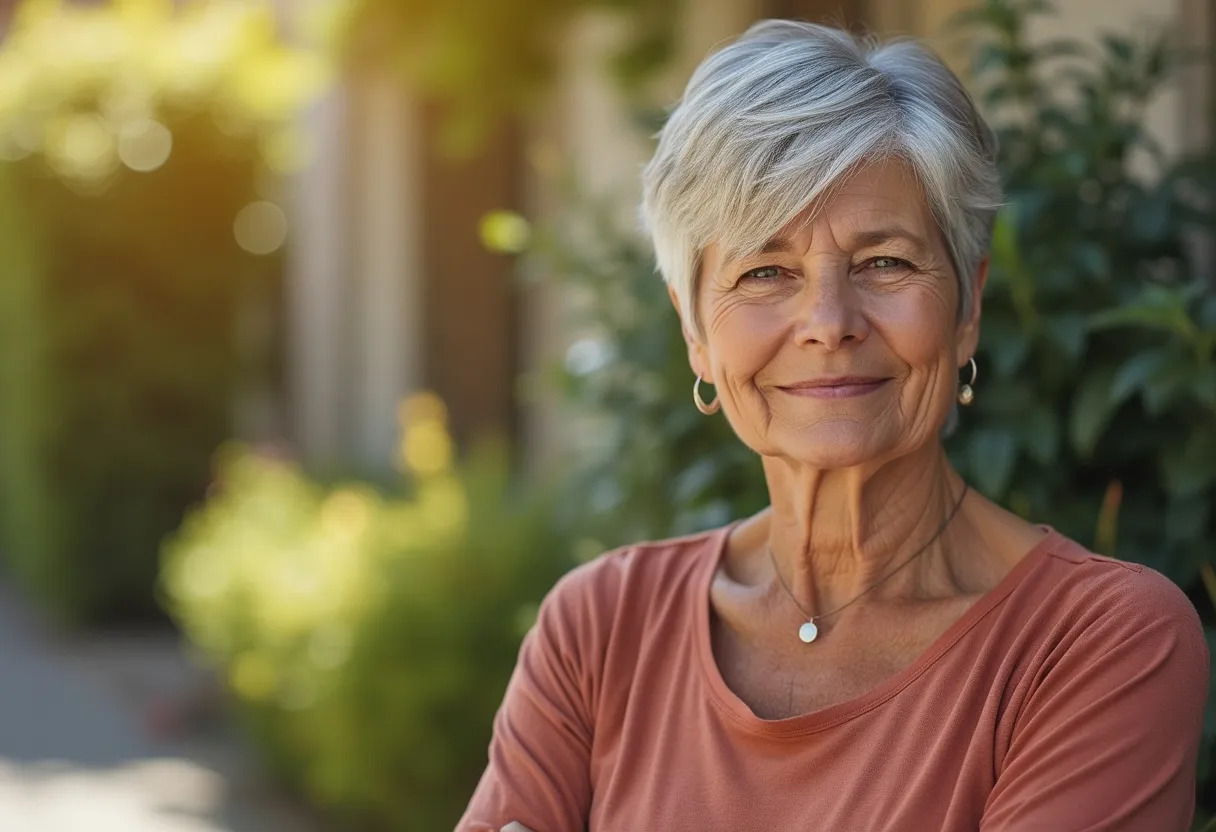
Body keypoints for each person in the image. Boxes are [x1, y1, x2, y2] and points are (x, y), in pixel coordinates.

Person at [458, 20, 1209, 832]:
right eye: (765, 271)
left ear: (967, 306)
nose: (828, 321)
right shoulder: (600, 629)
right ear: (696, 336)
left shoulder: (1095, 643)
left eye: (884, 262)